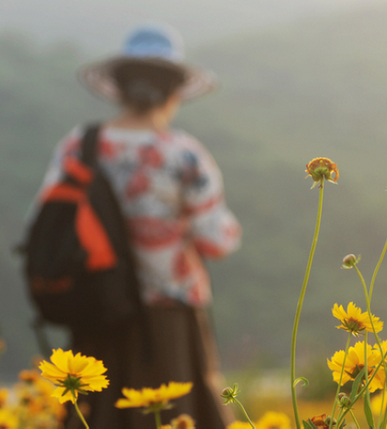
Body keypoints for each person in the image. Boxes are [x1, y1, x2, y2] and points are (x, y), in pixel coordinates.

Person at [31, 23, 241, 428]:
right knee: (176, 415)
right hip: (169, 315)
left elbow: (44, 222)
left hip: (97, 308)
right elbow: (217, 240)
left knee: (97, 416)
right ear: (174, 92)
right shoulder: (184, 154)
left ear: (120, 88)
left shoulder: (81, 144)